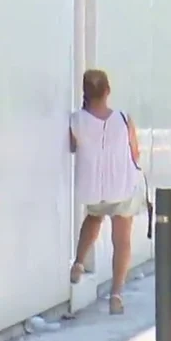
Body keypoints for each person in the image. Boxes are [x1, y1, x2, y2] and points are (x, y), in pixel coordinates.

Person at [67, 69, 144, 314]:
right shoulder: (123, 118)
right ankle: (117, 293)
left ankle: (79, 262)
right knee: (122, 241)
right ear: (108, 91)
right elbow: (135, 151)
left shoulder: (76, 120)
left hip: (93, 187)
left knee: (93, 219)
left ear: (85, 92)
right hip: (121, 185)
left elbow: (72, 146)